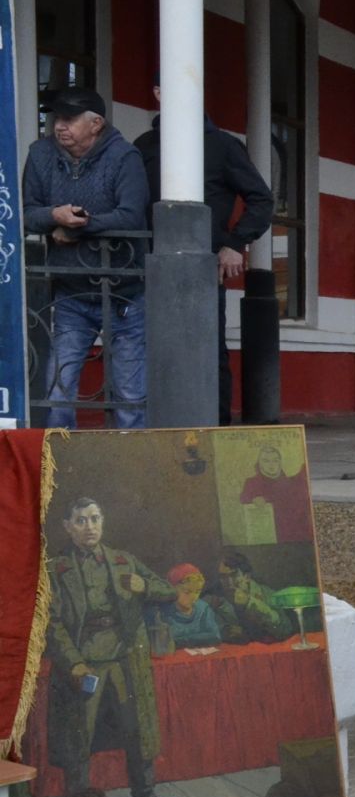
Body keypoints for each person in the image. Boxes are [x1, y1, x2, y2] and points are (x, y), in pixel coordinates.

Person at [134, 80, 274, 426]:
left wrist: (235, 243)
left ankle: (216, 432)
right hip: (146, 270)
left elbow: (261, 199)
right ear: (156, 94)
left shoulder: (224, 146)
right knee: (146, 350)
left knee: (208, 352)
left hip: (204, 268)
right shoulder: (143, 146)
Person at [22, 87, 152, 429]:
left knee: (128, 391)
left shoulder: (125, 157)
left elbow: (132, 216)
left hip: (125, 291)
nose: (59, 126)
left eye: (68, 119)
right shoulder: (40, 154)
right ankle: (59, 465)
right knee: (58, 387)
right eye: (56, 119)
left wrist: (79, 227)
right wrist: (55, 216)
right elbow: (26, 213)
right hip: (71, 290)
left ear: (96, 124)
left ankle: (132, 465)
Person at [43, 498, 178, 797]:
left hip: (124, 658)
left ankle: (144, 795)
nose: (89, 527)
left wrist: (144, 585)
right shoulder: (55, 569)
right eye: (80, 520)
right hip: (83, 662)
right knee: (80, 735)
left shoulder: (123, 560)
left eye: (94, 519)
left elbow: (167, 590)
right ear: (67, 527)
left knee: (136, 728)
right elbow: (52, 623)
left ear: (103, 522)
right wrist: (73, 662)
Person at [237, 445, 314, 543]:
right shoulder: (252, 483)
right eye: (266, 461)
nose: (271, 464)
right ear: (259, 463)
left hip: (295, 536)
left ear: (280, 462)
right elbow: (243, 498)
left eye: (275, 460)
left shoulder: (292, 482)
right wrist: (253, 499)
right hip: (269, 537)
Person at [159, 564, 225, 649]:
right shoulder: (163, 611)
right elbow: (162, 642)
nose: (194, 597)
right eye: (187, 592)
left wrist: (180, 641)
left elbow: (215, 636)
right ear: (172, 590)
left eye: (197, 591)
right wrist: (199, 638)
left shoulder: (203, 608)